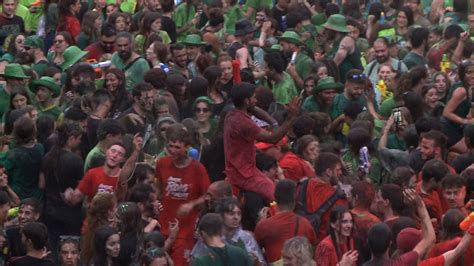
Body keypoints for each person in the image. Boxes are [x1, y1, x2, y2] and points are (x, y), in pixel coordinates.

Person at [224, 82, 299, 202]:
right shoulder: (244, 123)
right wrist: (291, 118)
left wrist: (274, 123)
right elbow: (273, 138)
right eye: (253, 97)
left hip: (239, 170)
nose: (256, 100)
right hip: (244, 175)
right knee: (277, 197)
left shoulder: (232, 114)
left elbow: (253, 109)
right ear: (246, 101)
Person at [155, 125, 210, 265]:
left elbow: (208, 196)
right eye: (170, 146)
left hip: (185, 232)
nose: (172, 150)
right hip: (163, 227)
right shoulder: (161, 163)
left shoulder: (198, 169)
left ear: (187, 147)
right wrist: (155, 201)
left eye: (177, 147)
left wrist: (192, 204)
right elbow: (159, 190)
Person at [41, 121, 84, 258]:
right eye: (79, 139)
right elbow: (81, 190)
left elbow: (41, 184)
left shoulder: (47, 157)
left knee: (56, 250)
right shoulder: (75, 160)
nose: (80, 142)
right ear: (71, 139)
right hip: (70, 215)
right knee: (71, 252)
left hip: (50, 211)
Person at [364, 189, 435, 265]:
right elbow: (429, 238)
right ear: (390, 244)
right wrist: (420, 206)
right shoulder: (400, 263)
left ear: (368, 242)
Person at [255, 179, 317, 264]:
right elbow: (312, 250)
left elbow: (256, 252)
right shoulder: (305, 224)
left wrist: (260, 222)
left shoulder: (263, 225)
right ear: (295, 201)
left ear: (275, 199)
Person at [4, 116, 44, 200]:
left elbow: (4, 170)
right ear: (34, 131)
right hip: (36, 196)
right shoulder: (40, 148)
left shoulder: (13, 154)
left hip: (17, 195)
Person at [442, 60, 474, 147]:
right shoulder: (461, 90)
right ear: (463, 74)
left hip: (458, 127)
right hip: (450, 129)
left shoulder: (469, 88)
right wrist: (465, 121)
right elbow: (446, 113)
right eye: (469, 72)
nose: (473, 76)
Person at [322, 14, 362, 83]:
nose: (325, 31)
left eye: (327, 29)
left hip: (354, 83)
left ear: (334, 30)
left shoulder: (347, 40)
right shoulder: (336, 43)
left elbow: (334, 65)